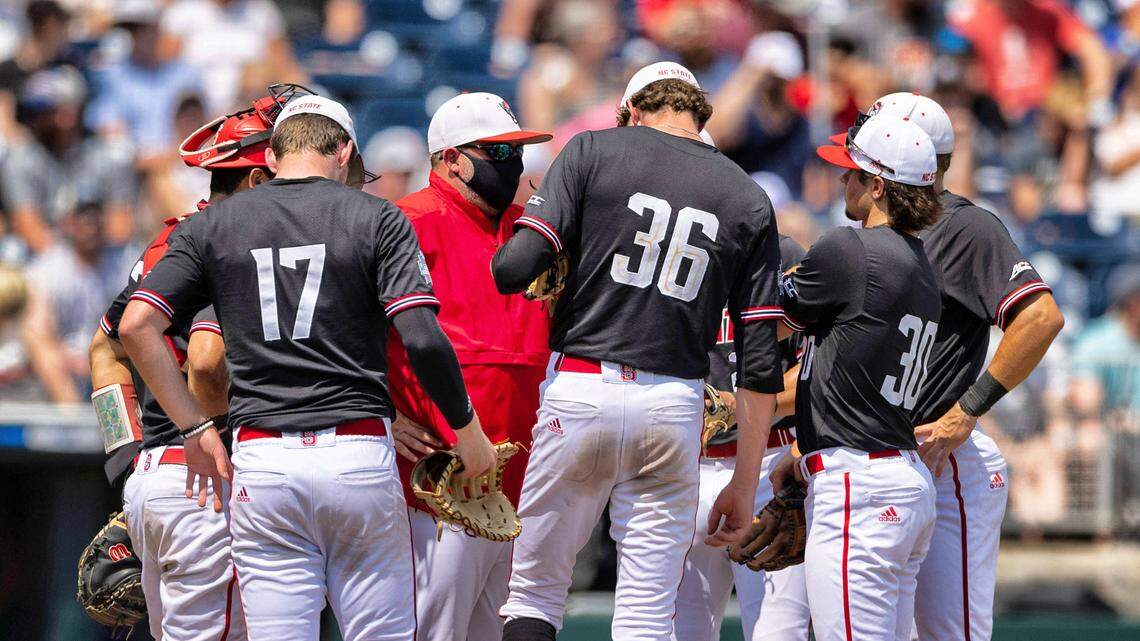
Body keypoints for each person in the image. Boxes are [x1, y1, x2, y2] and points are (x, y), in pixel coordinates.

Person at [117, 93, 497, 641]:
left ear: (271, 157)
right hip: (357, 451)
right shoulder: (377, 215)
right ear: (344, 152)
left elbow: (133, 329)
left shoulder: (215, 224)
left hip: (263, 458)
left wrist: (195, 427)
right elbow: (424, 339)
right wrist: (468, 432)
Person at [491, 61, 785, 641]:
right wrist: (745, 482)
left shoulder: (594, 149)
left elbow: (512, 270)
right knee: (648, 612)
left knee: (535, 593)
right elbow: (759, 363)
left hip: (581, 385)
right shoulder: (748, 196)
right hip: (676, 405)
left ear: (632, 111)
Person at [836, 93, 1064, 641]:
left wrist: (966, 412)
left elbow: (1040, 317)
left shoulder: (964, 227)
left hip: (946, 459)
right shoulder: (873, 237)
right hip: (882, 460)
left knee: (947, 633)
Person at [88, 94, 278, 641]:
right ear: (256, 182)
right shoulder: (233, 240)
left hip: (158, 474)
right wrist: (213, 437)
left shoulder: (168, 240)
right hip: (211, 480)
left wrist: (126, 456)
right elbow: (206, 364)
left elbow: (103, 350)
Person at [385, 92, 552, 641]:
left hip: (522, 477)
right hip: (435, 482)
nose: (513, 165)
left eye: (516, 152)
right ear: (451, 158)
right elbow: (340, 326)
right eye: (497, 153)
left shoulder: (532, 232)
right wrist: (380, 410)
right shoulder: (406, 220)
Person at [779, 114, 944, 641]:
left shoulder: (850, 249)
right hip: (900, 477)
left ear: (878, 185)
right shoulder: (922, 266)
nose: (842, 181)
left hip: (860, 484)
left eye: (852, 174)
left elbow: (770, 317)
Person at [672, 233, 810, 641]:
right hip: (687, 463)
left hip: (769, 460)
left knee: (777, 634)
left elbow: (815, 373)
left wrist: (739, 407)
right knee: (682, 632)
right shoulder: (672, 249)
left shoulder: (784, 257)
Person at [22, 201, 135, 403]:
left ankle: (123, 426)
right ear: (68, 223)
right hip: (63, 366)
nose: (89, 226)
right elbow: (38, 331)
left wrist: (100, 356)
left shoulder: (126, 262)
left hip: (113, 356)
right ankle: (73, 421)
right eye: (82, 218)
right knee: (40, 345)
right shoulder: (46, 269)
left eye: (94, 217)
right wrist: (68, 357)